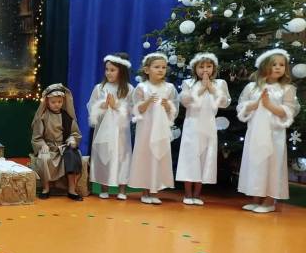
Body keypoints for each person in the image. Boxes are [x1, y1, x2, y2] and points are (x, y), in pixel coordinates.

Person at [237, 48, 301, 213]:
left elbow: (289, 111)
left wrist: (269, 105)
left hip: (274, 134)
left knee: (273, 164)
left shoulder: (287, 89)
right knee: (255, 163)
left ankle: (269, 201)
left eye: (282, 65)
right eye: (274, 64)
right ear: (265, 66)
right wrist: (254, 104)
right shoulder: (252, 87)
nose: (278, 67)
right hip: (255, 133)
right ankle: (256, 198)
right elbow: (242, 107)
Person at [176, 52, 230, 205]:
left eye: (209, 66)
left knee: (205, 157)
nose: (205, 70)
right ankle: (188, 194)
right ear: (195, 68)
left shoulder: (220, 84)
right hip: (192, 125)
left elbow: (224, 102)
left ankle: (197, 194)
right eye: (201, 67)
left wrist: (210, 87)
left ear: (214, 68)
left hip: (209, 125)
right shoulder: (189, 83)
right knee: (189, 157)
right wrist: (201, 89)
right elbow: (185, 101)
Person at [128, 53, 179, 204]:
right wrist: (148, 101)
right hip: (146, 129)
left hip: (161, 129)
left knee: (159, 156)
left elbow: (173, 110)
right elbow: (136, 109)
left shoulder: (169, 88)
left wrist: (168, 106)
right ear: (147, 69)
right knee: (146, 156)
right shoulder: (142, 87)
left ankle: (154, 191)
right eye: (157, 67)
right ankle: (145, 192)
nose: (161, 70)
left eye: (163, 67)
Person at [87, 53, 134, 200]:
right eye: (107, 69)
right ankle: (104, 187)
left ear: (122, 71)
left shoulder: (129, 89)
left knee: (122, 156)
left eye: (112, 70)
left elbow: (132, 109)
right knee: (104, 156)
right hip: (104, 129)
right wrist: (103, 106)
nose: (108, 73)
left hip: (121, 131)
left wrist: (116, 105)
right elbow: (91, 106)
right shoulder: (100, 88)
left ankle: (122, 189)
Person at [30, 83, 84, 201]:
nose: (57, 104)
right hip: (49, 148)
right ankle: (46, 188)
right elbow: (37, 137)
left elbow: (75, 133)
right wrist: (42, 145)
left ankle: (71, 189)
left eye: (59, 102)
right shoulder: (43, 117)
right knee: (44, 158)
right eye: (53, 102)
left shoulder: (67, 117)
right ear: (47, 102)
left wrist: (72, 139)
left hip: (63, 148)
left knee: (72, 155)